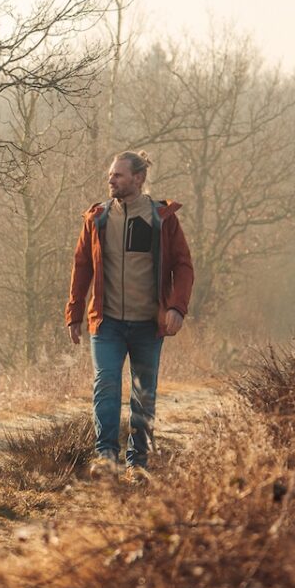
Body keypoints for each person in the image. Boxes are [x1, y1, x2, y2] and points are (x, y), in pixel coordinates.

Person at [65, 150, 194, 476]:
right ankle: (106, 457)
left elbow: (183, 265)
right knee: (106, 385)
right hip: (106, 322)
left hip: (148, 326)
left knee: (143, 395)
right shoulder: (98, 219)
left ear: (138, 179)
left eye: (118, 175)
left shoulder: (162, 219)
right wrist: (75, 313)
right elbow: (81, 266)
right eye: (110, 175)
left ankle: (138, 464)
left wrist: (177, 307)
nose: (111, 179)